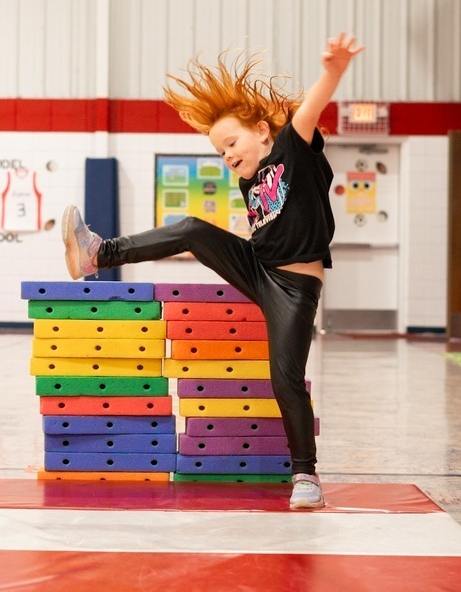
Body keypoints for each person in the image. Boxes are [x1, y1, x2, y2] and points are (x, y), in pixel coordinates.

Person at [62, 34, 363, 508]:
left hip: (293, 286)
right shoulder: (252, 180)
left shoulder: (292, 150)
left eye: (231, 143)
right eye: (220, 152)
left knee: (285, 378)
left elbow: (310, 109)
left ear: (263, 131)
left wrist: (333, 71)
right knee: (193, 229)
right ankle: (98, 254)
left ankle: (306, 477)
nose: (226, 157)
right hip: (256, 264)